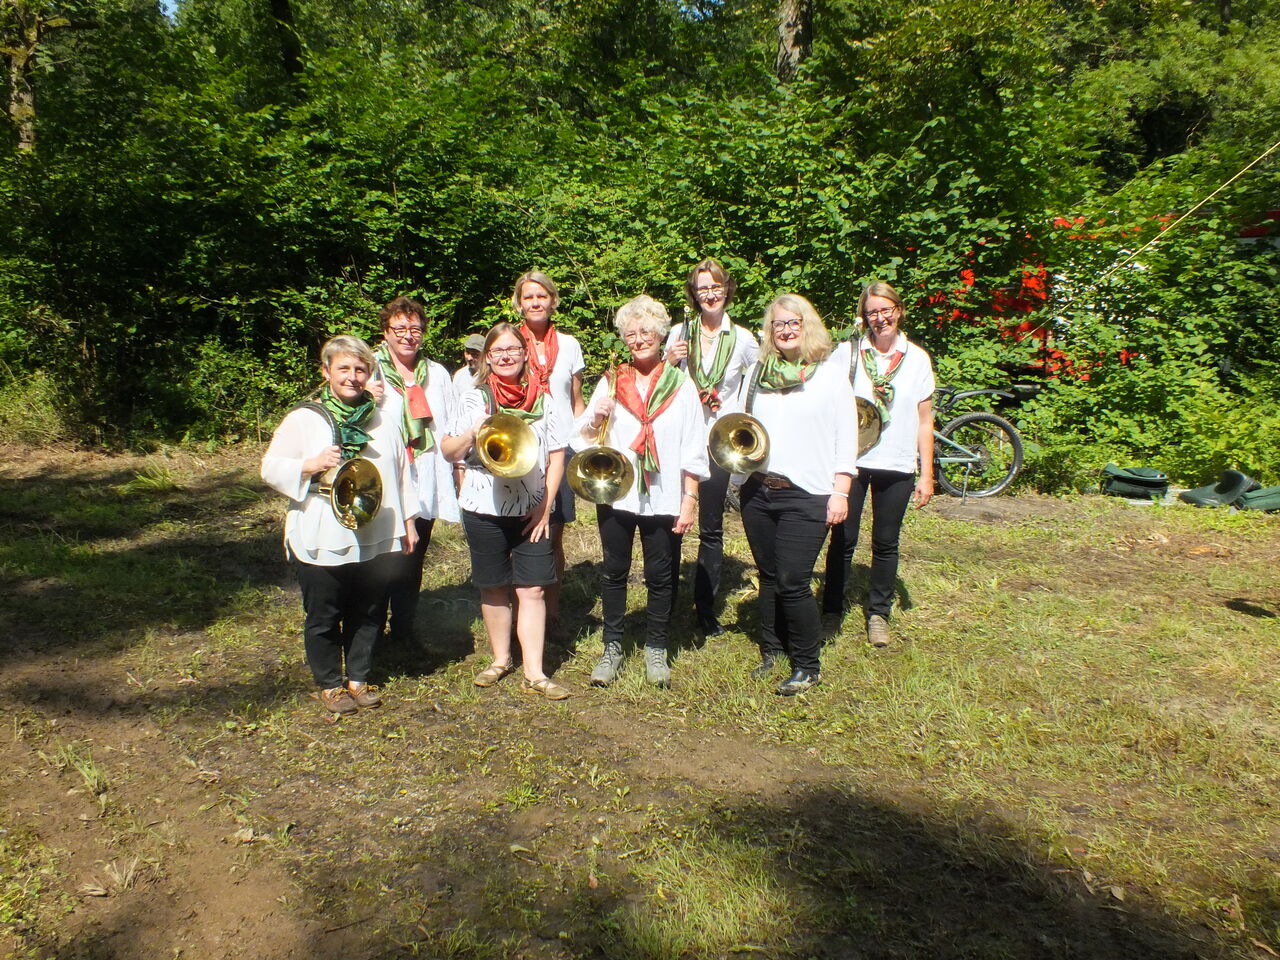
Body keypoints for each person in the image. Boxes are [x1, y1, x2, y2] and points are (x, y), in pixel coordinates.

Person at [260, 336, 419, 715]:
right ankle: (330, 683)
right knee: (325, 613)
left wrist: (409, 523)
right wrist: (309, 465)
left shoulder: (381, 417)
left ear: (369, 374)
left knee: (369, 609)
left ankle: (359, 678)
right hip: (321, 533)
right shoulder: (306, 418)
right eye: (343, 368)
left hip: (375, 530)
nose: (352, 376)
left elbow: (401, 472)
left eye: (360, 369)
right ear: (326, 371)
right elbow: (269, 467)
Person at [575, 295, 707, 687]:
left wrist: (689, 500)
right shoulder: (613, 380)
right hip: (617, 491)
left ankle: (656, 648)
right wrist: (594, 416)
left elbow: (693, 447)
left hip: (665, 494)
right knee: (614, 572)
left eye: (646, 331)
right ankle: (612, 647)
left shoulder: (681, 385)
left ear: (661, 335)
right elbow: (582, 434)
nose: (638, 339)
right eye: (630, 333)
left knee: (660, 575)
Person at [733, 295, 857, 696]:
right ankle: (772, 650)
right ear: (769, 331)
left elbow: (847, 436)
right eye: (777, 324)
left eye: (793, 323)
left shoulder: (829, 373)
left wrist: (841, 492)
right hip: (760, 490)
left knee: (793, 579)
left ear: (808, 326)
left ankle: (807, 663)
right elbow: (738, 426)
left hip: (810, 492)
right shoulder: (756, 373)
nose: (785, 330)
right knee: (769, 576)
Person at [442, 323, 570, 699]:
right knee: (494, 586)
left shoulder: (544, 400)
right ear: (487, 357)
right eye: (497, 351)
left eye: (513, 349)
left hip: (531, 507)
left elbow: (559, 453)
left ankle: (534, 671)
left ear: (525, 353)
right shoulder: (472, 398)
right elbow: (449, 451)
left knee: (532, 589)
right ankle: (500, 660)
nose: (506, 356)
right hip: (483, 506)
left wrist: (546, 507)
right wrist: (473, 433)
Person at [823, 281, 935, 647]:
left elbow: (924, 420)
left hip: (897, 463)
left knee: (886, 541)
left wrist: (927, 475)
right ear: (864, 316)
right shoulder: (847, 354)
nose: (879, 317)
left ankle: (878, 613)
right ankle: (831, 610)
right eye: (872, 311)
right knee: (842, 537)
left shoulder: (916, 358)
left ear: (899, 311)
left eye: (886, 309)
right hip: (851, 461)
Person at [664, 258, 759, 637]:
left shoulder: (745, 339)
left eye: (716, 286)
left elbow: (757, 381)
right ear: (694, 293)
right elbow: (661, 381)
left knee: (711, 528)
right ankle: (666, 601)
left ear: (727, 289)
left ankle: (705, 608)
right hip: (682, 439)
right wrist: (669, 361)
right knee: (669, 522)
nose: (710, 293)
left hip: (720, 442)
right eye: (702, 287)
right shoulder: (678, 333)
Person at [372, 296, 461, 648]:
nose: (408, 336)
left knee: (414, 555)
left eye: (415, 329)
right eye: (400, 329)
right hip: (387, 477)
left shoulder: (436, 374)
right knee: (382, 557)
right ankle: (372, 631)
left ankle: (405, 630)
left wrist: (457, 470)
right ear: (385, 332)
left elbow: (450, 425)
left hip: (425, 475)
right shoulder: (370, 370)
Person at [510, 271, 586, 627]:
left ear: (553, 301)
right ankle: (519, 610)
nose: (535, 303)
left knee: (554, 531)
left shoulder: (570, 345)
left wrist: (584, 445)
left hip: (560, 448)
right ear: (519, 303)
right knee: (516, 529)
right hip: (518, 447)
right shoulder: (510, 342)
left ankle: (551, 614)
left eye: (542, 296)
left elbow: (576, 401)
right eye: (528, 297)